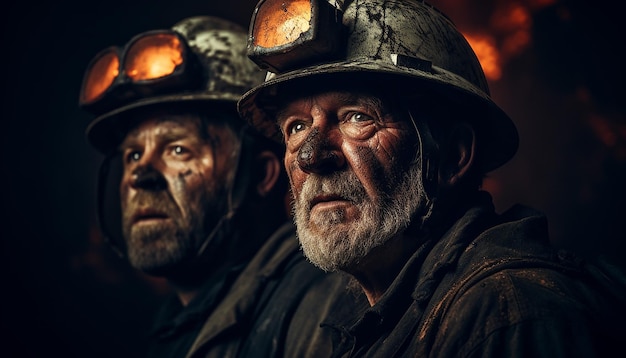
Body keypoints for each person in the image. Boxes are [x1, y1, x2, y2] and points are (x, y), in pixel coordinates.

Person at [238, 0, 626, 356]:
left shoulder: (509, 313)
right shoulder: (370, 318)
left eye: (357, 117)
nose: (310, 157)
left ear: (454, 156)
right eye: (297, 127)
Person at [79, 15, 343, 358]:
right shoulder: (174, 328)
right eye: (132, 155)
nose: (139, 176)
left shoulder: (322, 309)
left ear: (263, 175)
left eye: (177, 150)